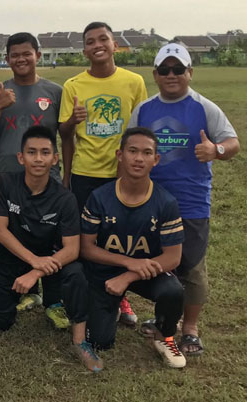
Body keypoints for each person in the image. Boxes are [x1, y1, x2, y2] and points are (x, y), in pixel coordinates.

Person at [129, 43, 240, 356]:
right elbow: (131, 149)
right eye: (165, 70)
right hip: (152, 201)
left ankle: (189, 329)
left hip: (191, 202)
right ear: (155, 74)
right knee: (160, 265)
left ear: (190, 73)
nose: (171, 75)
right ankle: (166, 319)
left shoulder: (204, 108)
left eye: (178, 69)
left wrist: (215, 150)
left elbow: (233, 143)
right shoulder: (144, 109)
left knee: (190, 266)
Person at [0, 125, 101, 372]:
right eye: (31, 152)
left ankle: (79, 340)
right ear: (21, 157)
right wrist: (31, 261)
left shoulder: (65, 198)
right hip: (12, 258)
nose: (38, 158)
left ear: (55, 158)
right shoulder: (5, 183)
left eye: (45, 152)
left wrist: (36, 270)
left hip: (51, 262)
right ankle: (27, 295)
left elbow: (72, 249)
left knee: (77, 273)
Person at [58, 22, 148, 326]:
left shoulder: (133, 82)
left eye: (103, 39)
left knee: (119, 239)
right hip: (85, 173)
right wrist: (72, 121)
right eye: (90, 41)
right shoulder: (73, 85)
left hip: (121, 176)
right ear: (84, 49)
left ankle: (120, 297)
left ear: (114, 45)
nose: (97, 45)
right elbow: (65, 134)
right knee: (88, 240)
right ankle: (85, 297)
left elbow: (139, 131)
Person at [81, 127, 186, 369]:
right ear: (120, 155)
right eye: (132, 151)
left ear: (156, 159)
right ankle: (113, 305)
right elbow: (86, 248)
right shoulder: (99, 197)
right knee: (99, 341)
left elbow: (173, 257)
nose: (139, 158)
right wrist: (128, 262)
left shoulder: (166, 202)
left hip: (146, 272)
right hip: (107, 271)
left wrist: (130, 274)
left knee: (173, 291)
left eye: (147, 153)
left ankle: (165, 337)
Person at [0, 32, 63, 313]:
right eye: (14, 55)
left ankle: (52, 297)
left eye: (26, 53)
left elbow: (66, 135)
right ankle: (19, 288)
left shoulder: (55, 91)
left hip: (46, 178)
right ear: (7, 59)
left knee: (48, 235)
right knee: (11, 234)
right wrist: (0, 107)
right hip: (7, 177)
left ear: (38, 55)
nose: (21, 59)